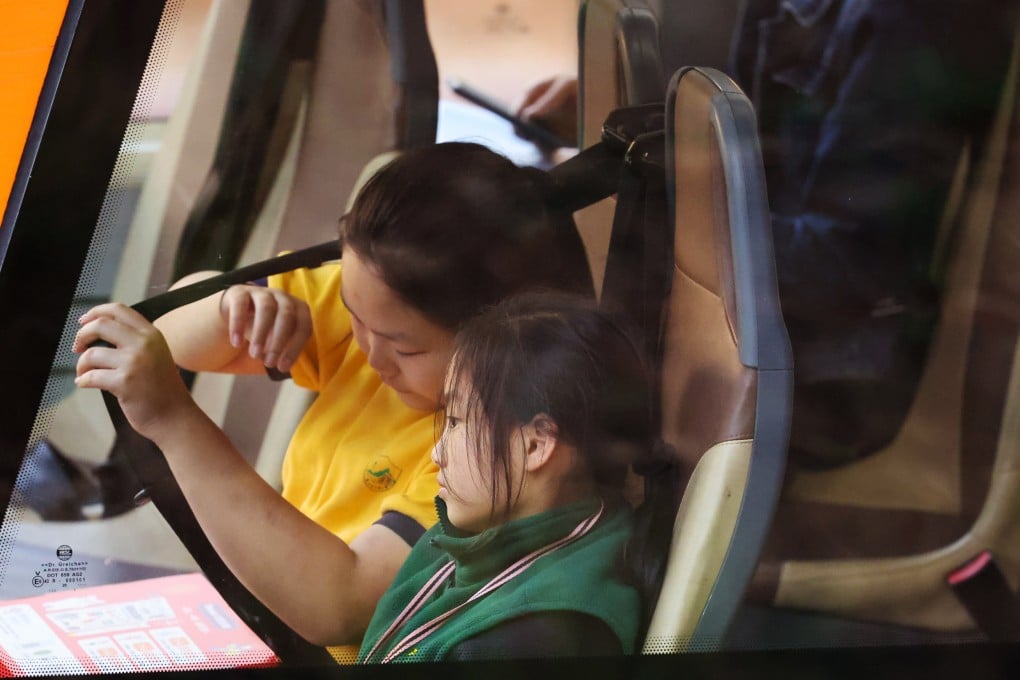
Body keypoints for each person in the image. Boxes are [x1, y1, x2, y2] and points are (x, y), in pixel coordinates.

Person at [72, 142, 594, 650]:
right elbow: (175, 338)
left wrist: (174, 422)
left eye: (403, 348)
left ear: (509, 338)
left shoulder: (486, 453)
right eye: (352, 312)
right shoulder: (376, 309)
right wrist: (233, 308)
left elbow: (339, 607)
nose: (367, 351)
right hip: (259, 607)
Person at [513, 0, 1015, 468]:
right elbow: (754, 163)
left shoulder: (906, 23)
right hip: (765, 313)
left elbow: (851, 264)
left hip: (829, 369)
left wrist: (663, 205)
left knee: (529, 392)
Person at [358, 291, 662, 663]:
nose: (437, 454)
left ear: (536, 445)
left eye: (455, 422)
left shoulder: (530, 640)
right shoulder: (472, 534)